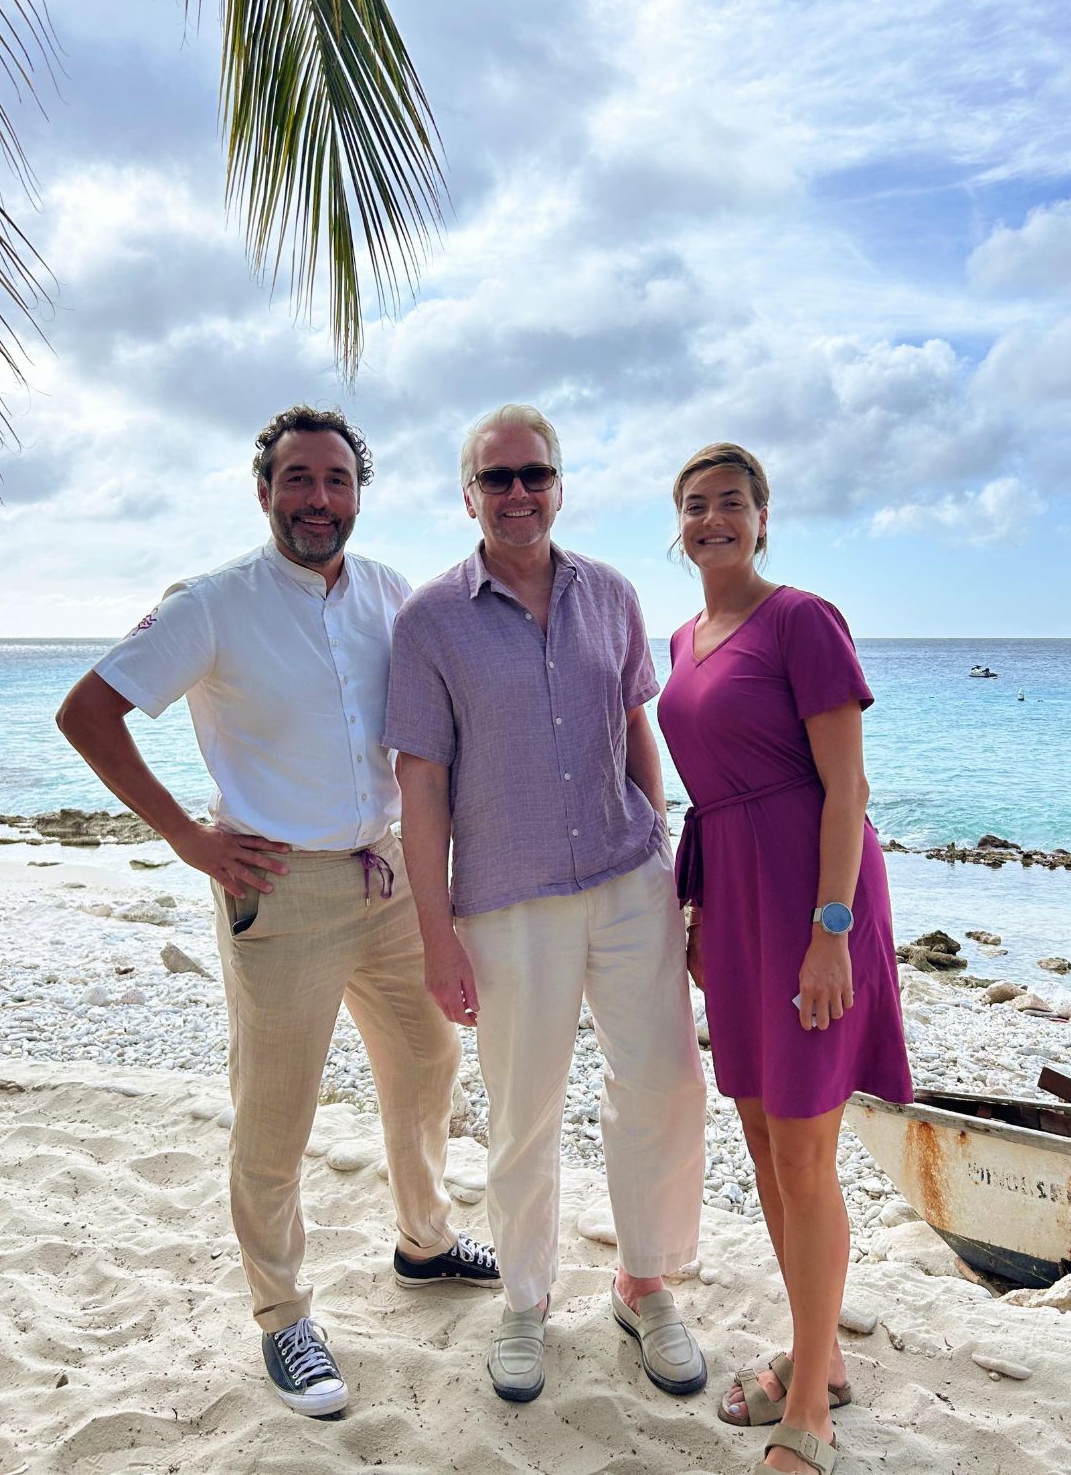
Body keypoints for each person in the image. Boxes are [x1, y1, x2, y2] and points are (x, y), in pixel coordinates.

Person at [56, 404, 499, 1419]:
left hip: (387, 877)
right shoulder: (211, 605)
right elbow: (86, 712)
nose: (318, 499)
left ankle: (425, 1240)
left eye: (337, 480)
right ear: (264, 492)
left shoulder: (388, 591)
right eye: (297, 479)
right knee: (274, 1113)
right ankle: (283, 1313)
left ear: (358, 495)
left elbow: (434, 729)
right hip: (278, 890)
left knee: (429, 1062)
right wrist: (187, 836)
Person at [383, 402, 707, 1404]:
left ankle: (644, 1283)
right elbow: (421, 785)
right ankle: (524, 1299)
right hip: (506, 900)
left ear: (559, 486)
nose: (517, 492)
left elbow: (635, 725)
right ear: (468, 496)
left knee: (663, 1083)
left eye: (535, 474)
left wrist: (661, 847)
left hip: (626, 875)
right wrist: (436, 936)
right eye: (498, 477)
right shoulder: (429, 620)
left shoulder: (611, 594)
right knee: (523, 1111)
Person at [656, 443, 913, 1475]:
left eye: (730, 502)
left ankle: (810, 1402)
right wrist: (699, 913)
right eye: (694, 505)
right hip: (736, 898)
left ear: (763, 517)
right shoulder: (681, 639)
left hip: (811, 896)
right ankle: (824, 1355)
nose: (711, 518)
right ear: (678, 526)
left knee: (805, 1154)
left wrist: (831, 930)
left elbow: (847, 787)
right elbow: (709, 793)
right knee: (764, 1143)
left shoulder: (801, 619)